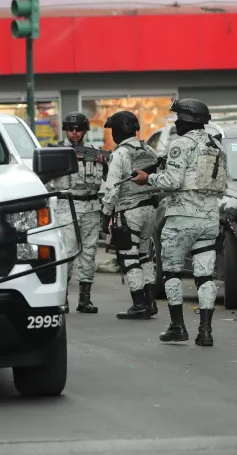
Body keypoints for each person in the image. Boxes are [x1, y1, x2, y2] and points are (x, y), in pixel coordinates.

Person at [133, 98, 228, 346]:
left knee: (172, 272)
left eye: (178, 118)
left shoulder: (180, 145)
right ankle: (205, 332)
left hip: (182, 218)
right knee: (205, 276)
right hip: (209, 218)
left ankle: (177, 326)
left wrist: (148, 178)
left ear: (187, 120)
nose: (176, 123)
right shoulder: (217, 146)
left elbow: (172, 181)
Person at [101, 111, 161, 320]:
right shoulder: (149, 150)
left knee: (129, 255)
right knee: (144, 255)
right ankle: (150, 301)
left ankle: (138, 304)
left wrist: (105, 214)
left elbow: (112, 190)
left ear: (118, 130)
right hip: (150, 209)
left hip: (129, 211)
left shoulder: (120, 154)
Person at [47, 112, 107, 314]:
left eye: (78, 129)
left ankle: (85, 299)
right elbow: (45, 181)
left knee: (89, 254)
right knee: (68, 253)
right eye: (71, 129)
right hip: (68, 205)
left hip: (91, 206)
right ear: (65, 130)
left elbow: (109, 177)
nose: (74, 133)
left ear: (85, 131)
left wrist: (104, 162)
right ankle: (61, 298)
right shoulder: (57, 152)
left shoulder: (95, 153)